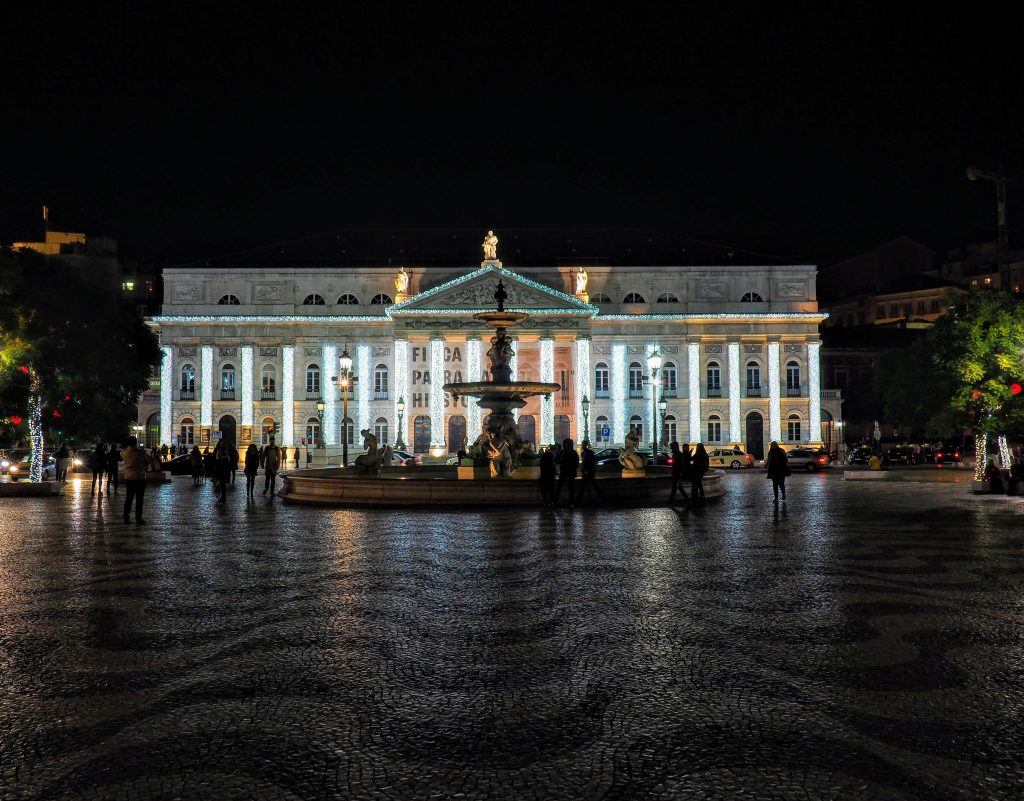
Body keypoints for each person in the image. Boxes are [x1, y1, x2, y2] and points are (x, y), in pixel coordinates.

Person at [121, 436, 151, 524]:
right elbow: (147, 461)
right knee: (139, 499)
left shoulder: (124, 453)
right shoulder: (141, 452)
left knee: (128, 498)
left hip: (129, 477)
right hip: (139, 477)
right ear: (135, 442)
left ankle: (126, 517)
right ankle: (138, 518)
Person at [554, 438, 579, 507]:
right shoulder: (573, 452)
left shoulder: (564, 452)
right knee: (570, 488)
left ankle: (555, 501)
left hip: (566, 472)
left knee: (561, 487)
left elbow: (558, 460)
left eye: (566, 444)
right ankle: (571, 503)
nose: (566, 446)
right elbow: (576, 463)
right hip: (568, 472)